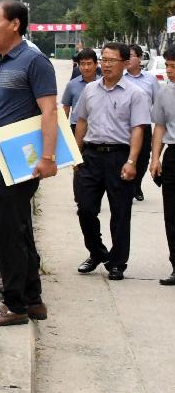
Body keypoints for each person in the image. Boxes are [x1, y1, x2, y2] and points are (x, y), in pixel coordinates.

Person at [0, 0, 56, 328]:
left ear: (15, 24)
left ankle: (15, 305)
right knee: (15, 230)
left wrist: (47, 158)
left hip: (19, 160)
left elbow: (49, 111)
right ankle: (33, 300)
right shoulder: (1, 62)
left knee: (7, 232)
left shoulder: (34, 61)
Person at [73, 43, 150, 281]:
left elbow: (138, 129)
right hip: (91, 156)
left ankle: (117, 263)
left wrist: (131, 161)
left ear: (125, 63)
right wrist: (77, 153)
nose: (105, 64)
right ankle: (97, 252)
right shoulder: (90, 90)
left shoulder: (135, 94)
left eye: (111, 60)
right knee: (85, 208)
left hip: (119, 156)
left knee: (120, 213)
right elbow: (82, 121)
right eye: (103, 59)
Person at [147, 46, 175, 286]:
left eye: (173, 66)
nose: (169, 71)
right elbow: (160, 127)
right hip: (173, 155)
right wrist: (155, 158)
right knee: (172, 215)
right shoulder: (165, 93)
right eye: (167, 66)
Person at [124, 44, 160, 201]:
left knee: (144, 157)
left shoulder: (150, 79)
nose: (128, 59)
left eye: (131, 55)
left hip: (143, 125)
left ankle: (137, 184)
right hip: (124, 127)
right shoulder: (121, 77)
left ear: (139, 58)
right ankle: (127, 186)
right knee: (126, 156)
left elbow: (157, 103)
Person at [61, 48, 99, 134]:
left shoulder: (103, 84)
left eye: (89, 64)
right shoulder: (71, 85)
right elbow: (65, 109)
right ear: (78, 65)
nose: (86, 67)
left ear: (96, 64)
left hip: (97, 128)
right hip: (76, 127)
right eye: (82, 64)